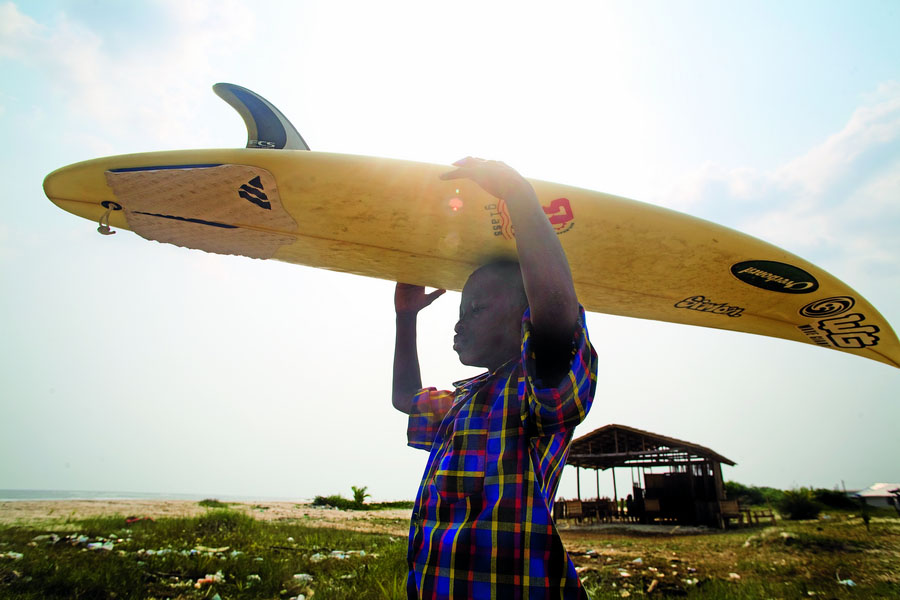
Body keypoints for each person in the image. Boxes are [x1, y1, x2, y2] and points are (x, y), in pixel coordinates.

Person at [392, 157, 598, 599]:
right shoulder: (463, 400)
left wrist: (518, 196)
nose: (459, 325)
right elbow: (404, 397)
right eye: (461, 313)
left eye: (477, 310)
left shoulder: (532, 389)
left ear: (526, 316)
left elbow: (557, 316)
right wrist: (405, 318)